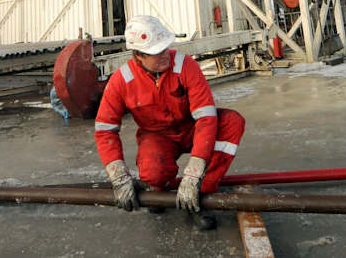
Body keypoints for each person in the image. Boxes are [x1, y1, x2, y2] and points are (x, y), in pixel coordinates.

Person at [94, 15, 246, 230]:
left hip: (192, 128)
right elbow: (104, 130)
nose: (166, 55)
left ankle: (201, 194)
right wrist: (119, 177)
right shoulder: (122, 81)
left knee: (232, 122)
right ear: (138, 55)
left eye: (166, 48)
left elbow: (206, 118)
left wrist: (194, 174)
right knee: (153, 171)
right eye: (157, 52)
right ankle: (158, 190)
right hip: (158, 136)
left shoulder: (186, 66)